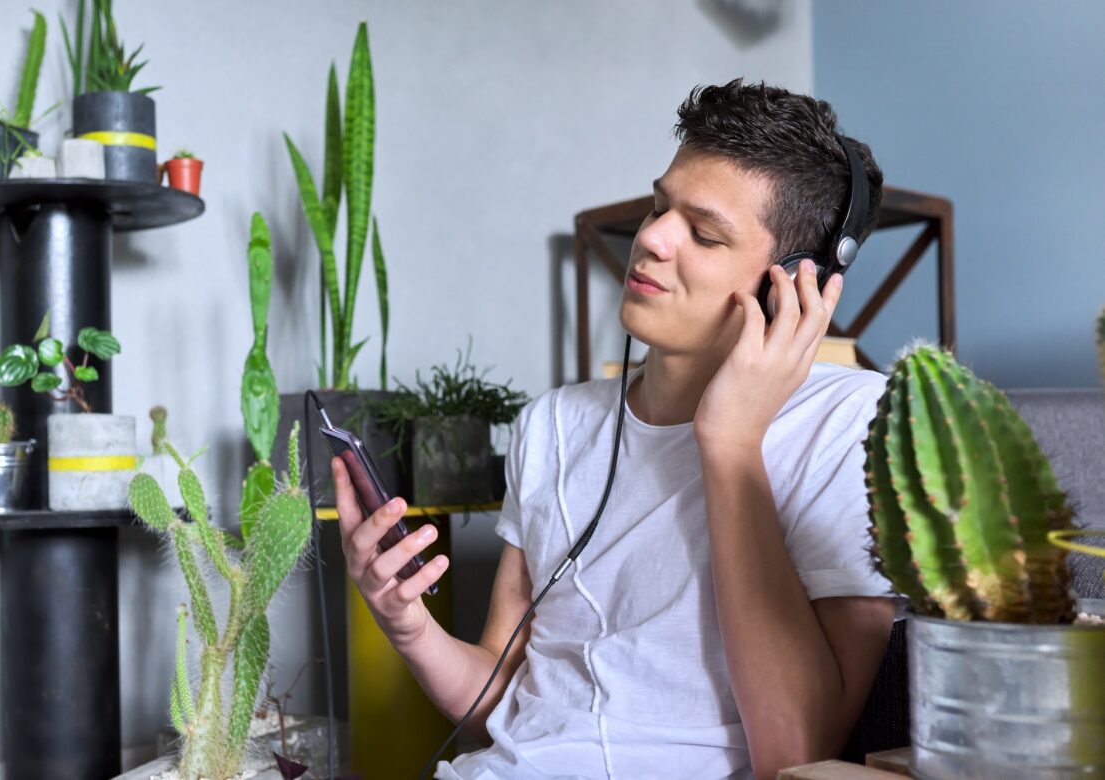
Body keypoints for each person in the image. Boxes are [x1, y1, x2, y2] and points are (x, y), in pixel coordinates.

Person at [332, 78, 897, 779]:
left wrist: (729, 443)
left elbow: (797, 755)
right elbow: (500, 704)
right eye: (660, 206)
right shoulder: (554, 424)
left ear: (792, 283)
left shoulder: (851, 424)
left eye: (704, 234)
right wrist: (407, 624)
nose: (651, 238)